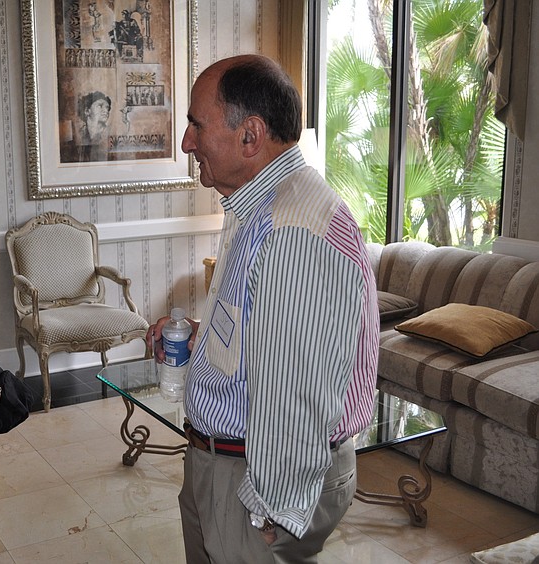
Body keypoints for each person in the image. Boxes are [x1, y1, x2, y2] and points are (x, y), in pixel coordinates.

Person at [146, 55, 379, 563]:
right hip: (222, 462)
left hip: (255, 483)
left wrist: (272, 505)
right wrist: (201, 333)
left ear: (250, 136)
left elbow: (300, 391)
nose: (186, 142)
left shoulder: (294, 230)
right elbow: (271, 335)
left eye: (196, 125)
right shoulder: (257, 208)